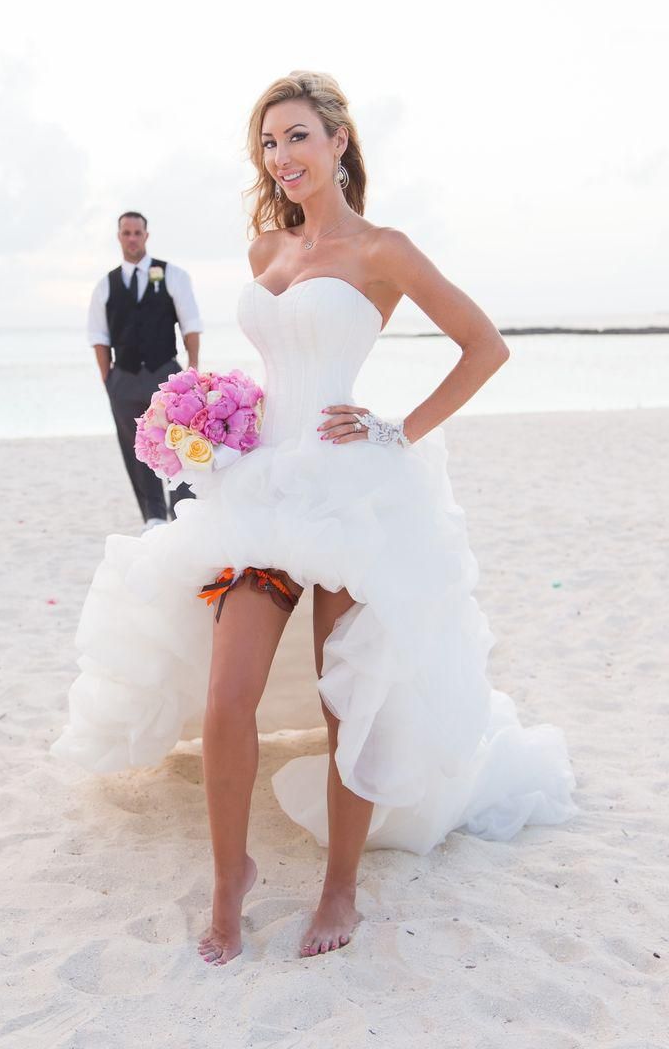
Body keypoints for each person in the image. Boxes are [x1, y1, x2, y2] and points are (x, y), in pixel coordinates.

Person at [52, 72, 577, 965]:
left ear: (338, 141)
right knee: (227, 698)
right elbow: (279, 367)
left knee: (350, 699)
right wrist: (214, 415)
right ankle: (230, 882)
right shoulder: (266, 252)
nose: (281, 157)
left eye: (297, 136)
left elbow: (485, 345)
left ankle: (341, 888)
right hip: (261, 488)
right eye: (267, 144)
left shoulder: (386, 251)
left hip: (351, 493)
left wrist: (395, 428)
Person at [87, 211, 204, 531]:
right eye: (126, 233)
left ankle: (182, 512)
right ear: (119, 236)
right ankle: (152, 516)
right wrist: (108, 379)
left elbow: (191, 326)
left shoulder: (171, 275)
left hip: (165, 374)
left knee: (176, 443)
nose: (132, 238)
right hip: (122, 377)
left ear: (146, 236)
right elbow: (98, 336)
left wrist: (191, 371)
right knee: (135, 446)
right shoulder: (106, 285)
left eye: (137, 232)